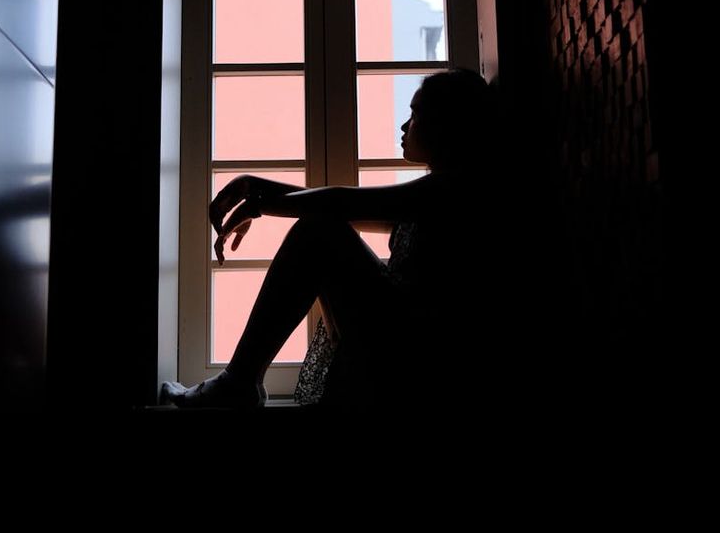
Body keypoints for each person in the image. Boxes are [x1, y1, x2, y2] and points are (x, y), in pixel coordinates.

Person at [160, 68, 505, 410]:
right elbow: (340, 205)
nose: (404, 126)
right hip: (405, 342)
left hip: (417, 354)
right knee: (321, 226)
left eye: (415, 114)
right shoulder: (441, 193)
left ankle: (239, 382)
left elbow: (342, 202)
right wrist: (255, 188)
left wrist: (259, 201)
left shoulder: (453, 189)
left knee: (319, 231)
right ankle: (239, 381)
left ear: (444, 125)